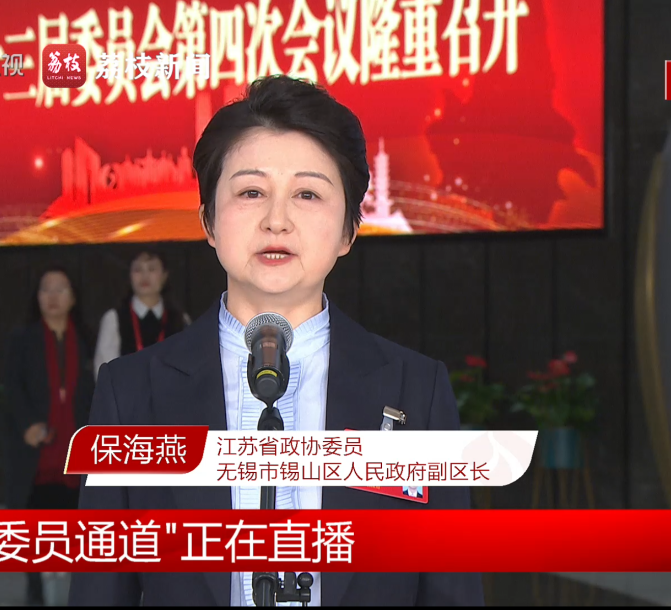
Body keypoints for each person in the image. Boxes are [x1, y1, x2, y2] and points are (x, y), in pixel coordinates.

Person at [70, 75, 484, 606]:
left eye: (308, 194)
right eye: (251, 192)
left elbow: (450, 591)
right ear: (208, 221)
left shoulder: (415, 392)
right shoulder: (131, 396)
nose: (277, 220)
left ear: (348, 230)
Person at [5, 266, 94, 606]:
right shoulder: (22, 339)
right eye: (46, 289)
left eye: (60, 289)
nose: (53, 296)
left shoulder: (87, 338)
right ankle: (35, 593)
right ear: (37, 297)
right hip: (37, 449)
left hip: (77, 448)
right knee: (33, 526)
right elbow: (12, 387)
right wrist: (27, 423)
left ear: (73, 297)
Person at [92, 248, 191, 379]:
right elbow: (105, 372)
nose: (145, 276)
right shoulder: (114, 319)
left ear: (164, 275)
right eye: (138, 270)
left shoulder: (180, 320)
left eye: (152, 269)